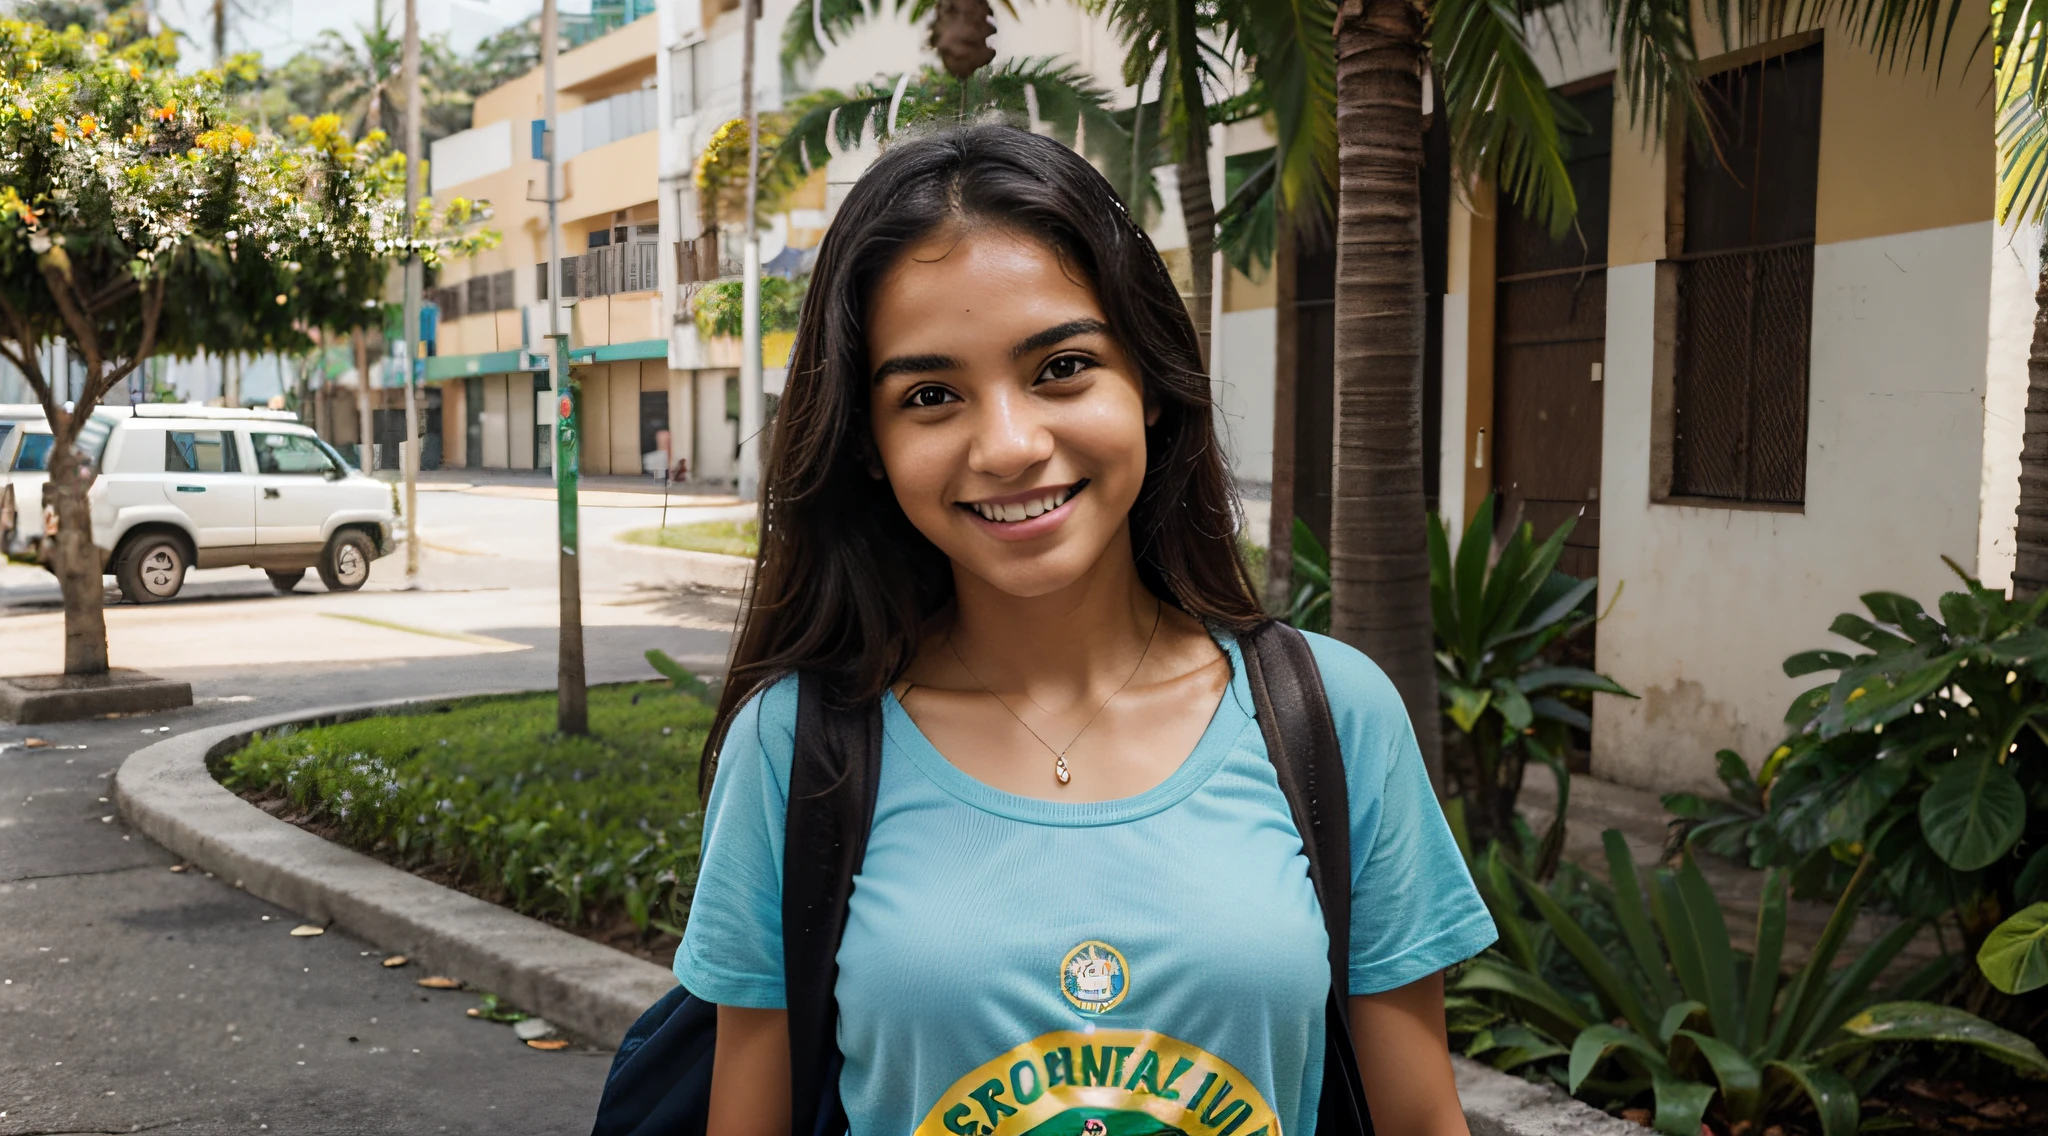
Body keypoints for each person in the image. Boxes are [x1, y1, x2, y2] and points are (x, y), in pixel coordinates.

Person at [678, 124, 1496, 1136]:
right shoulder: (799, 747)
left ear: (1148, 383)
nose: (1010, 444)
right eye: (930, 395)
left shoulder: (1329, 716)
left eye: (1061, 366)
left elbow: (1421, 1117)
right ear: (869, 442)